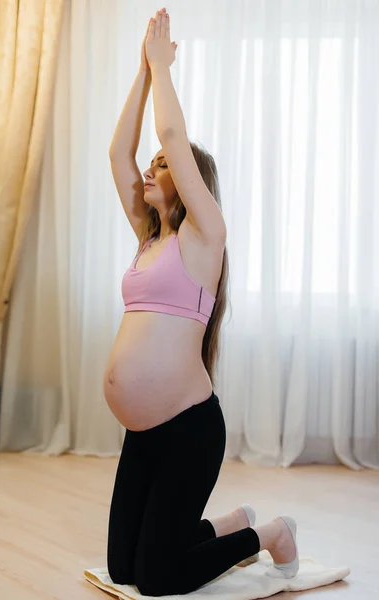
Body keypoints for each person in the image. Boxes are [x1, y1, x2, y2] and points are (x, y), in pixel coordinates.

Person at [104, 7, 299, 596]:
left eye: (164, 167)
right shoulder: (151, 239)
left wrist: (164, 68)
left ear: (193, 183)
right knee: (122, 571)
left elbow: (168, 135)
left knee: (157, 580)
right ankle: (226, 523)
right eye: (155, 165)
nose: (150, 167)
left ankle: (267, 534)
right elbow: (119, 153)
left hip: (190, 430)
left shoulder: (204, 235)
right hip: (143, 432)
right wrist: (142, 70)